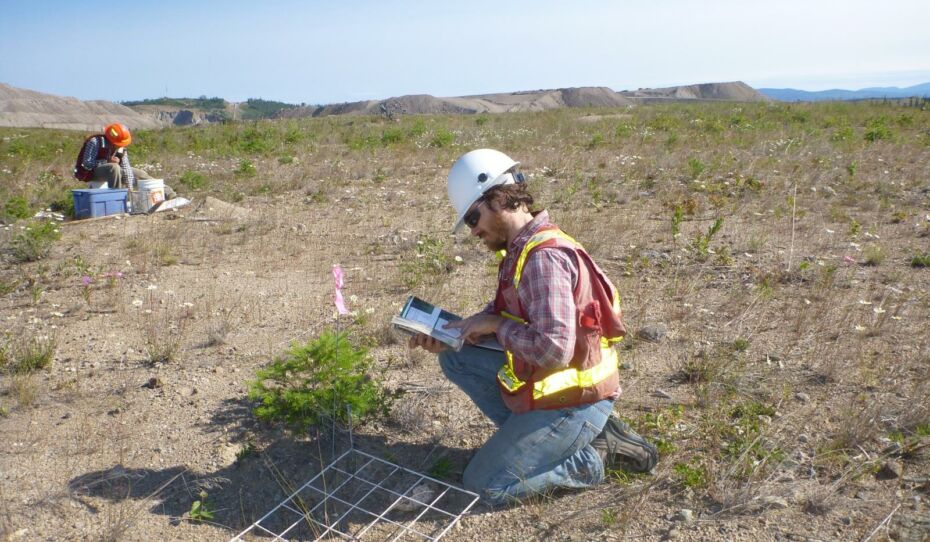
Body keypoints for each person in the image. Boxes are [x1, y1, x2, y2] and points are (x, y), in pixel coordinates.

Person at [408, 149, 657, 506]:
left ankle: (596, 456)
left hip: (577, 401)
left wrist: (492, 323)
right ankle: (539, 440)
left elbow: (553, 350)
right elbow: (510, 316)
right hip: (558, 388)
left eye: (473, 217)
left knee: (483, 485)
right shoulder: (520, 249)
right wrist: (453, 334)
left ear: (498, 198)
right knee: (456, 358)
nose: (474, 230)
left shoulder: (543, 259)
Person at [74, 123, 177, 199]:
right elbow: (87, 163)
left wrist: (130, 188)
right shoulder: (95, 142)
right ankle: (117, 200)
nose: (120, 145)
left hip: (115, 170)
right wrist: (106, 161)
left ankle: (168, 193)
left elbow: (126, 168)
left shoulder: (121, 148)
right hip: (91, 172)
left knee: (139, 173)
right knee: (114, 168)